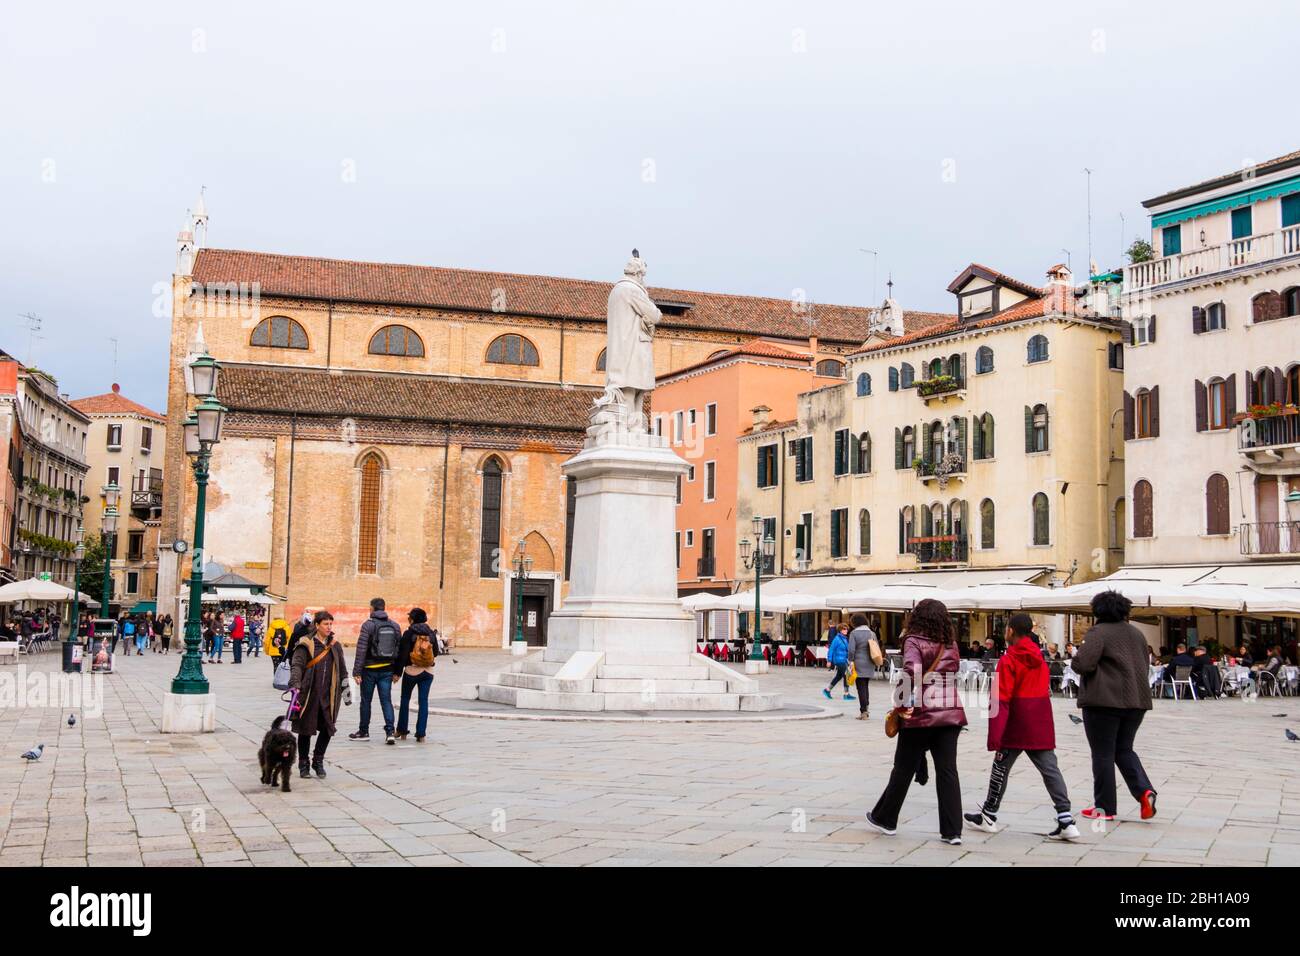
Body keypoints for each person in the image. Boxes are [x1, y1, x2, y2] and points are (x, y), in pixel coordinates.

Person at [965, 614, 1079, 841]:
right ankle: (1066, 819)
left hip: (1015, 723)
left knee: (1000, 767)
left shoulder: (1009, 660)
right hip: (1039, 720)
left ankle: (989, 814)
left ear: (1010, 631)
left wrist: (995, 735)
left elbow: (1000, 699)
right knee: (1050, 769)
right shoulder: (1039, 657)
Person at [866, 598, 966, 844]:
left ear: (917, 617)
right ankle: (952, 831)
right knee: (948, 772)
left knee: (903, 768)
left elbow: (912, 671)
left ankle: (886, 819)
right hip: (950, 713)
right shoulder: (951, 643)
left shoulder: (913, 640)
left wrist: (901, 703)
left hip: (921, 713)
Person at [1070, 590, 1157, 823]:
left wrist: (1076, 656)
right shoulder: (1137, 634)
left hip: (1104, 700)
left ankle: (1105, 807)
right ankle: (1144, 791)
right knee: (1124, 749)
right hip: (1137, 701)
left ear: (1098, 610)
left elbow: (1083, 664)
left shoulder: (1098, 632)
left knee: (1102, 754)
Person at [288, 610, 348, 779]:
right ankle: (303, 763)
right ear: (317, 625)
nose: (329, 627)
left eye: (331, 624)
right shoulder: (306, 643)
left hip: (329, 695)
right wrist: (295, 685)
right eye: (325, 624)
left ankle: (318, 760)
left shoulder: (335, 645)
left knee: (328, 728)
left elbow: (342, 670)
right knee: (305, 729)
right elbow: (297, 665)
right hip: (309, 693)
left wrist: (347, 693)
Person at [350, 597, 401, 743]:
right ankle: (390, 732)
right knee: (386, 701)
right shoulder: (395, 626)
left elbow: (361, 650)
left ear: (371, 609)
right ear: (384, 608)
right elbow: (399, 649)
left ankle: (364, 732)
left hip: (369, 670)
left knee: (366, 701)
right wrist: (398, 672)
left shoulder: (368, 625)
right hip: (388, 670)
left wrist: (356, 672)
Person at [394, 608, 439, 742]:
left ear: (413, 619)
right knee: (423, 701)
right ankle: (421, 734)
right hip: (428, 672)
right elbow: (435, 652)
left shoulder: (409, 633)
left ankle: (402, 731)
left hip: (411, 671)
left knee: (405, 699)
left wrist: (397, 673)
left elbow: (402, 655)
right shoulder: (431, 634)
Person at [845, 613, 879, 720]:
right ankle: (866, 709)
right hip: (870, 662)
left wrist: (850, 661)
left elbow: (851, 650)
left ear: (855, 622)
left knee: (860, 687)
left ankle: (863, 711)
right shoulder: (872, 633)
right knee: (865, 686)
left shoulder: (854, 634)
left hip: (858, 663)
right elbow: (876, 647)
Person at [821, 624, 854, 702]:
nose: (846, 630)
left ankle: (827, 690)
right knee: (846, 675)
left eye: (846, 629)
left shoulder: (845, 638)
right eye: (844, 629)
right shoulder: (837, 639)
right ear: (840, 630)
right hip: (839, 660)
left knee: (839, 676)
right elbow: (831, 650)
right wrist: (829, 660)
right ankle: (846, 694)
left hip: (844, 660)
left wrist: (850, 660)